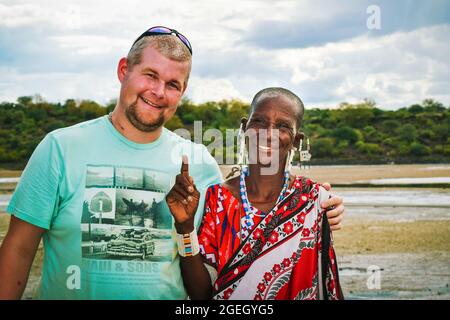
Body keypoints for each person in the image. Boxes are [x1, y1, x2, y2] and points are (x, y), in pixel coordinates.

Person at [0, 26, 344, 300]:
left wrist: (316, 203)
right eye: (150, 75)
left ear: (183, 91)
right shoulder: (61, 148)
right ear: (124, 70)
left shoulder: (199, 162)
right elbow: (18, 248)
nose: (159, 91)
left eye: (172, 84)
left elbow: (247, 212)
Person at [167, 87, 344, 300]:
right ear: (244, 128)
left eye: (283, 126)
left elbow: (329, 284)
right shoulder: (219, 199)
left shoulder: (313, 200)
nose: (268, 134)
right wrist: (185, 228)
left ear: (297, 140)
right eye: (259, 121)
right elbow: (201, 294)